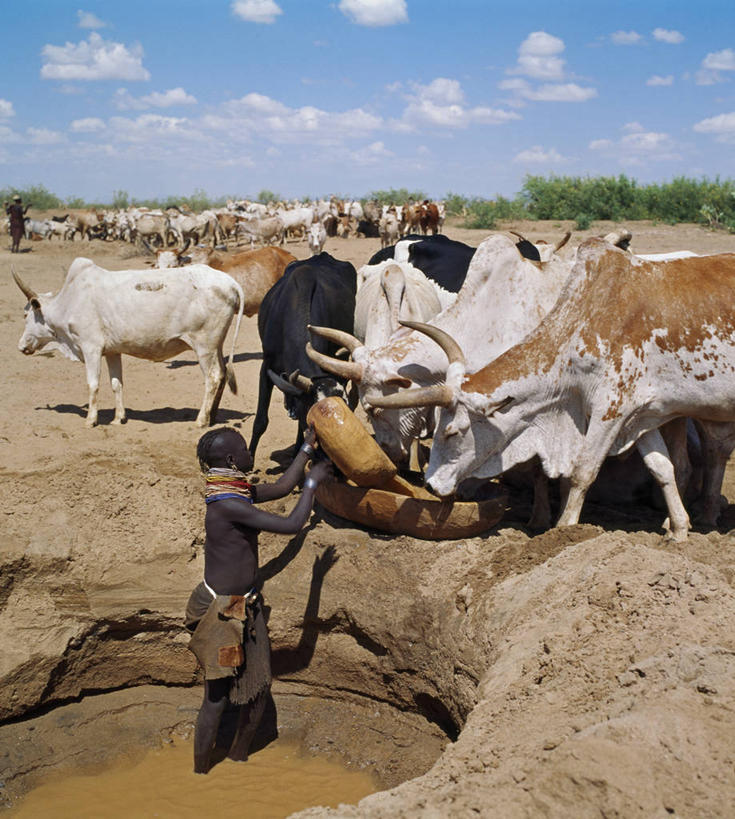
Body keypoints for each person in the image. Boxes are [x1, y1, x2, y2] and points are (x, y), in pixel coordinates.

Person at [184, 424, 332, 774]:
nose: (253, 451)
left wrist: (307, 450)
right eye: (246, 448)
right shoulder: (227, 504)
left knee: (259, 685)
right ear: (234, 459)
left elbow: (281, 487)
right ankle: (200, 774)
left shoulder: (234, 490)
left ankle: (237, 757)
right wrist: (312, 483)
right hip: (223, 612)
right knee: (217, 698)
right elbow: (292, 523)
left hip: (244, 604)